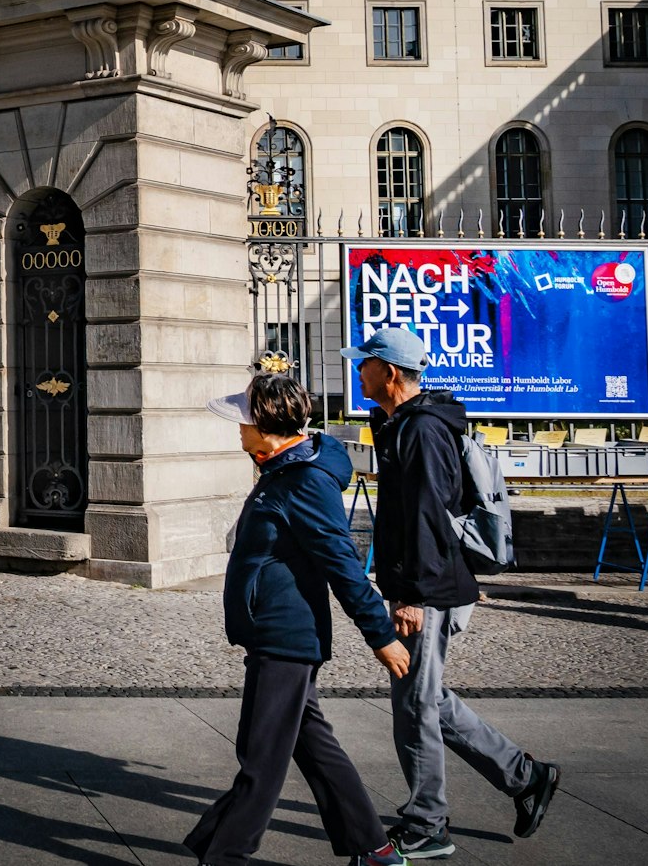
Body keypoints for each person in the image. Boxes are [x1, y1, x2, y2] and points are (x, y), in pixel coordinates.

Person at [346, 327, 561, 859]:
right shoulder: (402, 423)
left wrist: (412, 595)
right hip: (425, 581)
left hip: (430, 586)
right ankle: (525, 775)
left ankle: (427, 824)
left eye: (365, 363)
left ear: (389, 372)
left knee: (414, 705)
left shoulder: (422, 431)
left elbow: (426, 518)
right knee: (428, 698)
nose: (358, 370)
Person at [185, 372, 412, 866]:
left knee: (260, 758)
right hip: (278, 632)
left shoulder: (303, 481)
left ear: (266, 426)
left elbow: (342, 563)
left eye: (243, 423)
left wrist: (382, 636)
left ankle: (225, 855)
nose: (237, 431)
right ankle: (373, 848)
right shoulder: (284, 468)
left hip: (286, 636)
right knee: (313, 747)